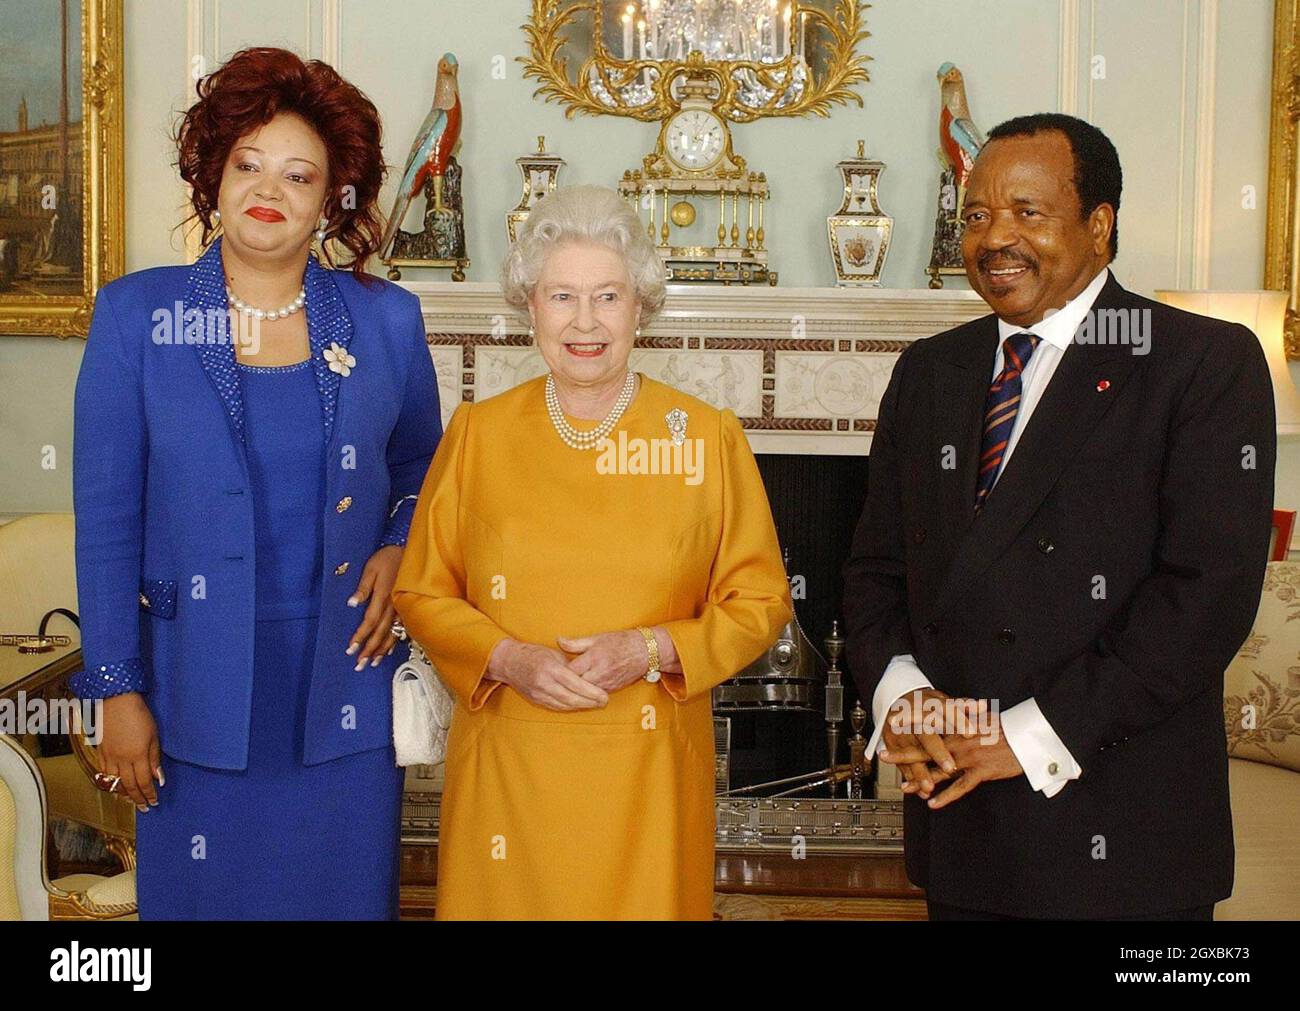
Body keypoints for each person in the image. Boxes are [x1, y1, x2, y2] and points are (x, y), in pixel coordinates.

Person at [842, 113, 1275, 920]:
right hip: (958, 824)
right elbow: (875, 570)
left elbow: (1204, 598)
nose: (995, 238)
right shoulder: (930, 370)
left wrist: (1024, 738)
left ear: (1100, 226)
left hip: (1118, 834)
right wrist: (903, 697)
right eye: (976, 216)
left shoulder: (1202, 364)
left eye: (1027, 213)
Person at [71, 47, 441, 919]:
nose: (268, 189)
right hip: (187, 687)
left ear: (330, 199)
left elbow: (427, 466)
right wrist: (115, 687)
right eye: (248, 163)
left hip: (345, 684)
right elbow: (106, 519)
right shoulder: (137, 315)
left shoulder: (386, 318)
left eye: (299, 175)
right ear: (215, 170)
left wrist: (399, 541)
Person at [391, 184, 792, 919]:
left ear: (640, 305)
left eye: (607, 296)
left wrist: (649, 649)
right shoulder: (478, 435)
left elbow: (761, 601)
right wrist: (509, 658)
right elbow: (421, 591)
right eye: (561, 296)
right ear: (529, 306)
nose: (585, 322)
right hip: (509, 771)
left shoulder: (706, 437)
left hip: (649, 777)